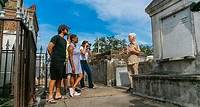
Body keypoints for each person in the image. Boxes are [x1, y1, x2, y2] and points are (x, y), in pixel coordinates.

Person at [47, 24, 69, 103]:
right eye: (66, 29)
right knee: (54, 78)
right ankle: (50, 96)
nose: (68, 30)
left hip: (62, 61)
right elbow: (49, 47)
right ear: (62, 29)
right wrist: (54, 57)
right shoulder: (56, 37)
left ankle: (58, 94)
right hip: (56, 61)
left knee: (59, 78)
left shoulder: (64, 40)